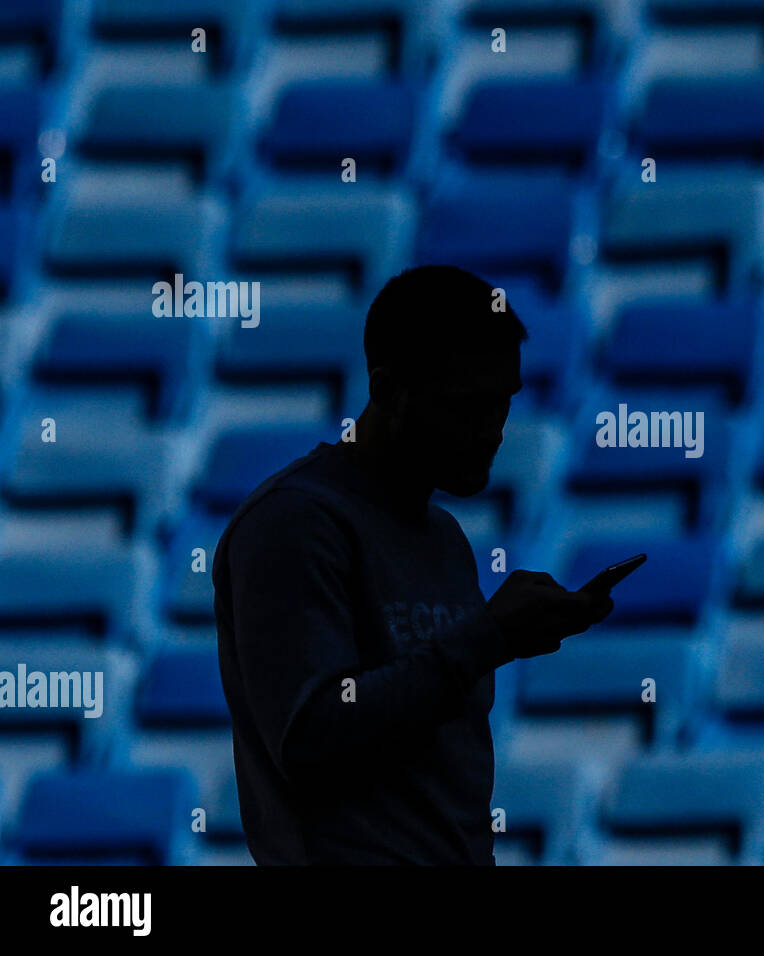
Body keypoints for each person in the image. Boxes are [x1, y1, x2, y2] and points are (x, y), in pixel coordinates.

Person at [212, 264, 613, 865]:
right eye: (468, 406)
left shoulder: (444, 539)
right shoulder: (295, 523)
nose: (493, 431)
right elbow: (313, 736)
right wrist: (488, 637)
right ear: (388, 390)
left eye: (503, 403)